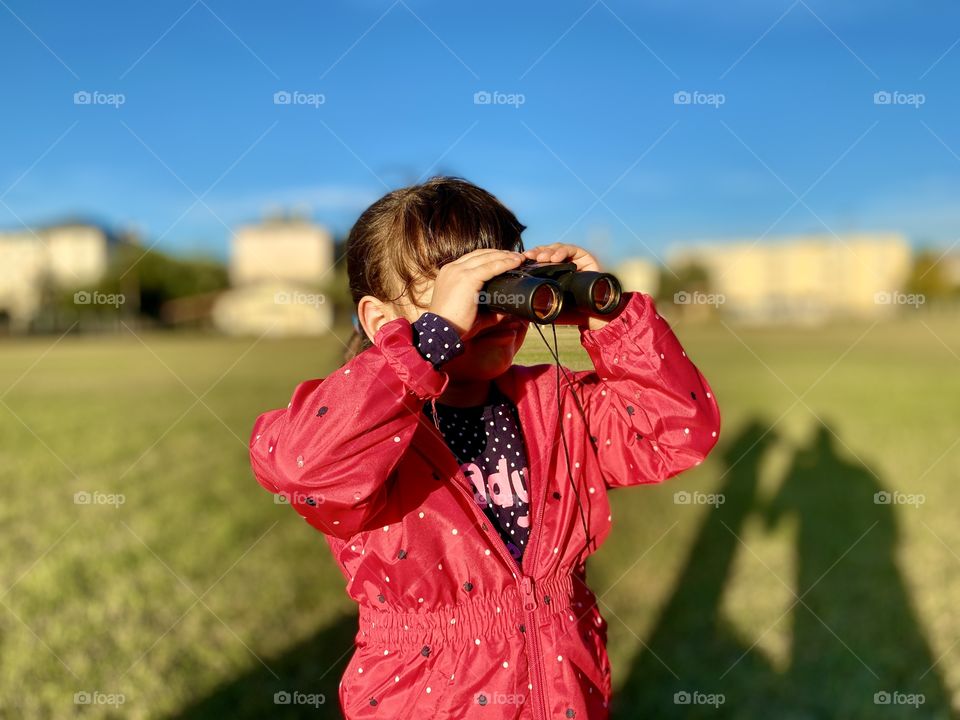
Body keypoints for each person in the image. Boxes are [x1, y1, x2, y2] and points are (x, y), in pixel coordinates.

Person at [249, 176, 721, 719]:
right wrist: (432, 340)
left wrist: (609, 319)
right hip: (426, 699)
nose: (493, 311)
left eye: (503, 282)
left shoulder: (556, 402)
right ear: (382, 321)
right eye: (465, 290)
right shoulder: (369, 433)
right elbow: (301, 468)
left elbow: (677, 432)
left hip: (564, 693)